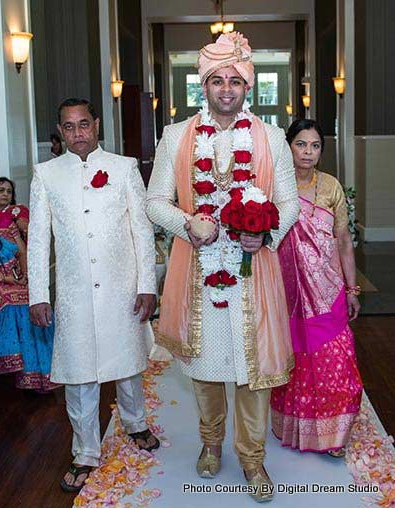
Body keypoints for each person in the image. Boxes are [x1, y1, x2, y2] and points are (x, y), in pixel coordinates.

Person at [147, 32, 299, 503]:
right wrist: (187, 223)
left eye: (235, 80)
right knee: (208, 369)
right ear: (203, 85)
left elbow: (289, 202)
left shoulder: (271, 138)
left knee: (254, 374)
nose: (227, 89)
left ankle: (253, 459)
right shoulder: (175, 136)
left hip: (254, 273)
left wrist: (266, 232)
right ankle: (211, 445)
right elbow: (154, 202)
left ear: (248, 87)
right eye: (217, 80)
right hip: (197, 272)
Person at [27, 98, 159, 493]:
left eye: (84, 124)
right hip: (73, 291)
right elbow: (37, 239)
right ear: (60, 131)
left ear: (96, 125)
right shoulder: (46, 174)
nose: (78, 133)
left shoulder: (124, 168)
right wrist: (38, 293)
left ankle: (135, 423)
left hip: (121, 285)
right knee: (79, 372)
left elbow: (142, 230)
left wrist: (147, 285)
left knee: (129, 362)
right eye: (69, 127)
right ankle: (85, 450)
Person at [270, 119, 363, 457]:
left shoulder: (331, 187)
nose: (308, 152)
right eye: (301, 144)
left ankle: (334, 434)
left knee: (335, 357)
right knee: (295, 359)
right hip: (288, 291)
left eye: (315, 146)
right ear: (288, 146)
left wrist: (352, 289)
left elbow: (343, 240)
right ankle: (297, 428)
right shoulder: (276, 188)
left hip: (328, 288)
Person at [0, 179, 55, 391]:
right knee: (10, 305)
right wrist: (6, 279)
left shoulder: (11, 219)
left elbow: (22, 251)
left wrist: (25, 276)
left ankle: (37, 376)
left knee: (33, 303)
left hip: (11, 278)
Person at [0, 177, 30, 242]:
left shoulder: (19, 210)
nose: (5, 194)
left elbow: (27, 230)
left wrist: (20, 223)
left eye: (9, 192)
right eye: (1, 190)